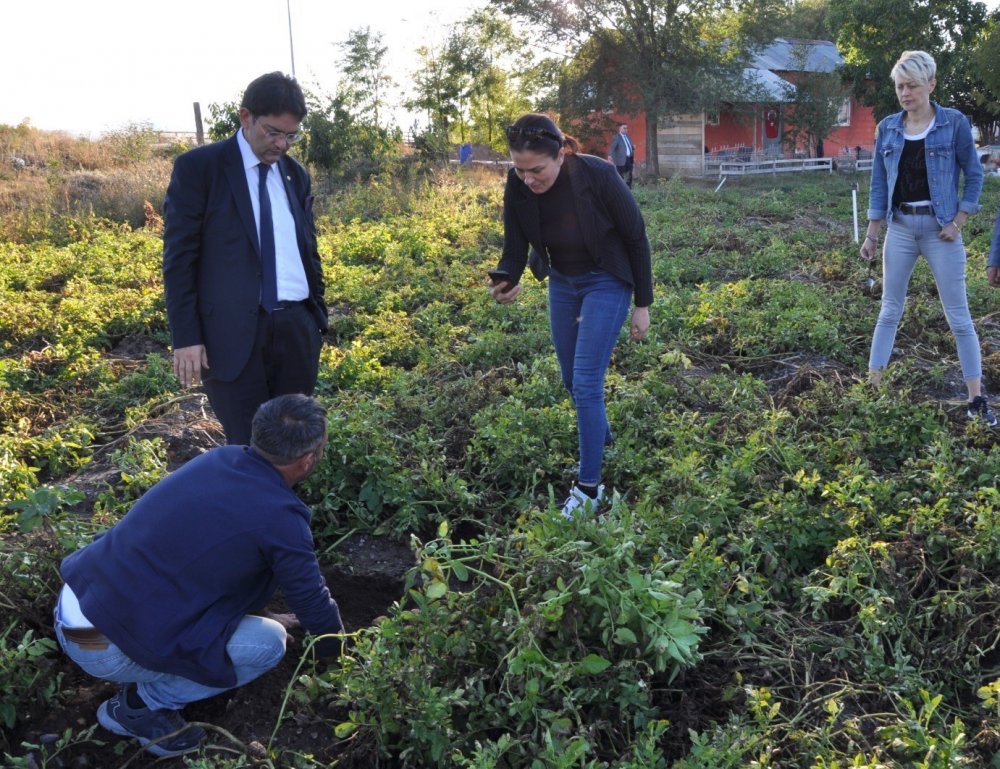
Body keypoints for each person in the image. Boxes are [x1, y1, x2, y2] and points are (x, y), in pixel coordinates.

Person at [52, 394, 344, 757]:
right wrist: (341, 657)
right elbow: (312, 600)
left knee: (225, 609)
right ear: (307, 460)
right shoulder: (281, 519)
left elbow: (209, 562)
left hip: (75, 604)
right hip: (102, 647)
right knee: (269, 643)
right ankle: (140, 707)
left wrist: (261, 611)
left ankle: (139, 683)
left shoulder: (219, 459)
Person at [491, 113, 653, 517]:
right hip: (563, 281)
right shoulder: (518, 185)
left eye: (537, 169)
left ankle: (589, 489)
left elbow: (636, 235)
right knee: (569, 378)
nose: (529, 179)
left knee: (585, 381)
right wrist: (507, 277)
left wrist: (643, 305)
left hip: (607, 280)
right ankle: (603, 438)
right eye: (520, 169)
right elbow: (514, 244)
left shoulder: (597, 175)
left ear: (561, 153)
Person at [163, 72, 328, 445]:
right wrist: (186, 336)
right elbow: (180, 259)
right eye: (273, 132)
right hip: (233, 335)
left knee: (293, 440)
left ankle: (285, 504)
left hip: (296, 330)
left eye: (291, 135)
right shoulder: (201, 169)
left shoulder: (295, 175)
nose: (282, 144)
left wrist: (316, 317)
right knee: (246, 443)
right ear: (246, 117)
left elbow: (306, 246)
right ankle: (250, 504)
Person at [859, 51, 993, 425]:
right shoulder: (887, 127)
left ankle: (976, 398)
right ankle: (872, 388)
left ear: (931, 85)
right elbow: (879, 184)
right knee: (889, 310)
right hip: (900, 228)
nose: (905, 93)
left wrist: (959, 221)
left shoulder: (953, 123)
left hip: (941, 232)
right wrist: (872, 235)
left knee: (959, 317)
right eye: (900, 86)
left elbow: (974, 174)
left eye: (912, 86)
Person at [607, 124, 635, 188]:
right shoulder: (617, 137)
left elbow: (628, 146)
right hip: (620, 160)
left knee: (629, 174)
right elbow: (613, 147)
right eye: (624, 128)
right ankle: (621, 188)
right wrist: (609, 155)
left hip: (629, 158)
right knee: (620, 175)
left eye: (627, 128)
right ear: (620, 129)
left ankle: (628, 188)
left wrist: (633, 147)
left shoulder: (628, 136)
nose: (626, 129)